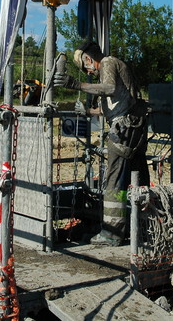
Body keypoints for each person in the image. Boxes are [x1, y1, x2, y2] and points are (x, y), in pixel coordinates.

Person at [54, 41, 149, 246]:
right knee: (137, 176)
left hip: (124, 129)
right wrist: (88, 112)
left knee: (115, 180)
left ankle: (112, 233)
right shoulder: (114, 65)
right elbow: (114, 102)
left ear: (88, 59)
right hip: (133, 127)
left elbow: (109, 88)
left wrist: (76, 85)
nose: (89, 73)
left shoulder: (107, 63)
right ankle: (144, 225)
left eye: (86, 68)